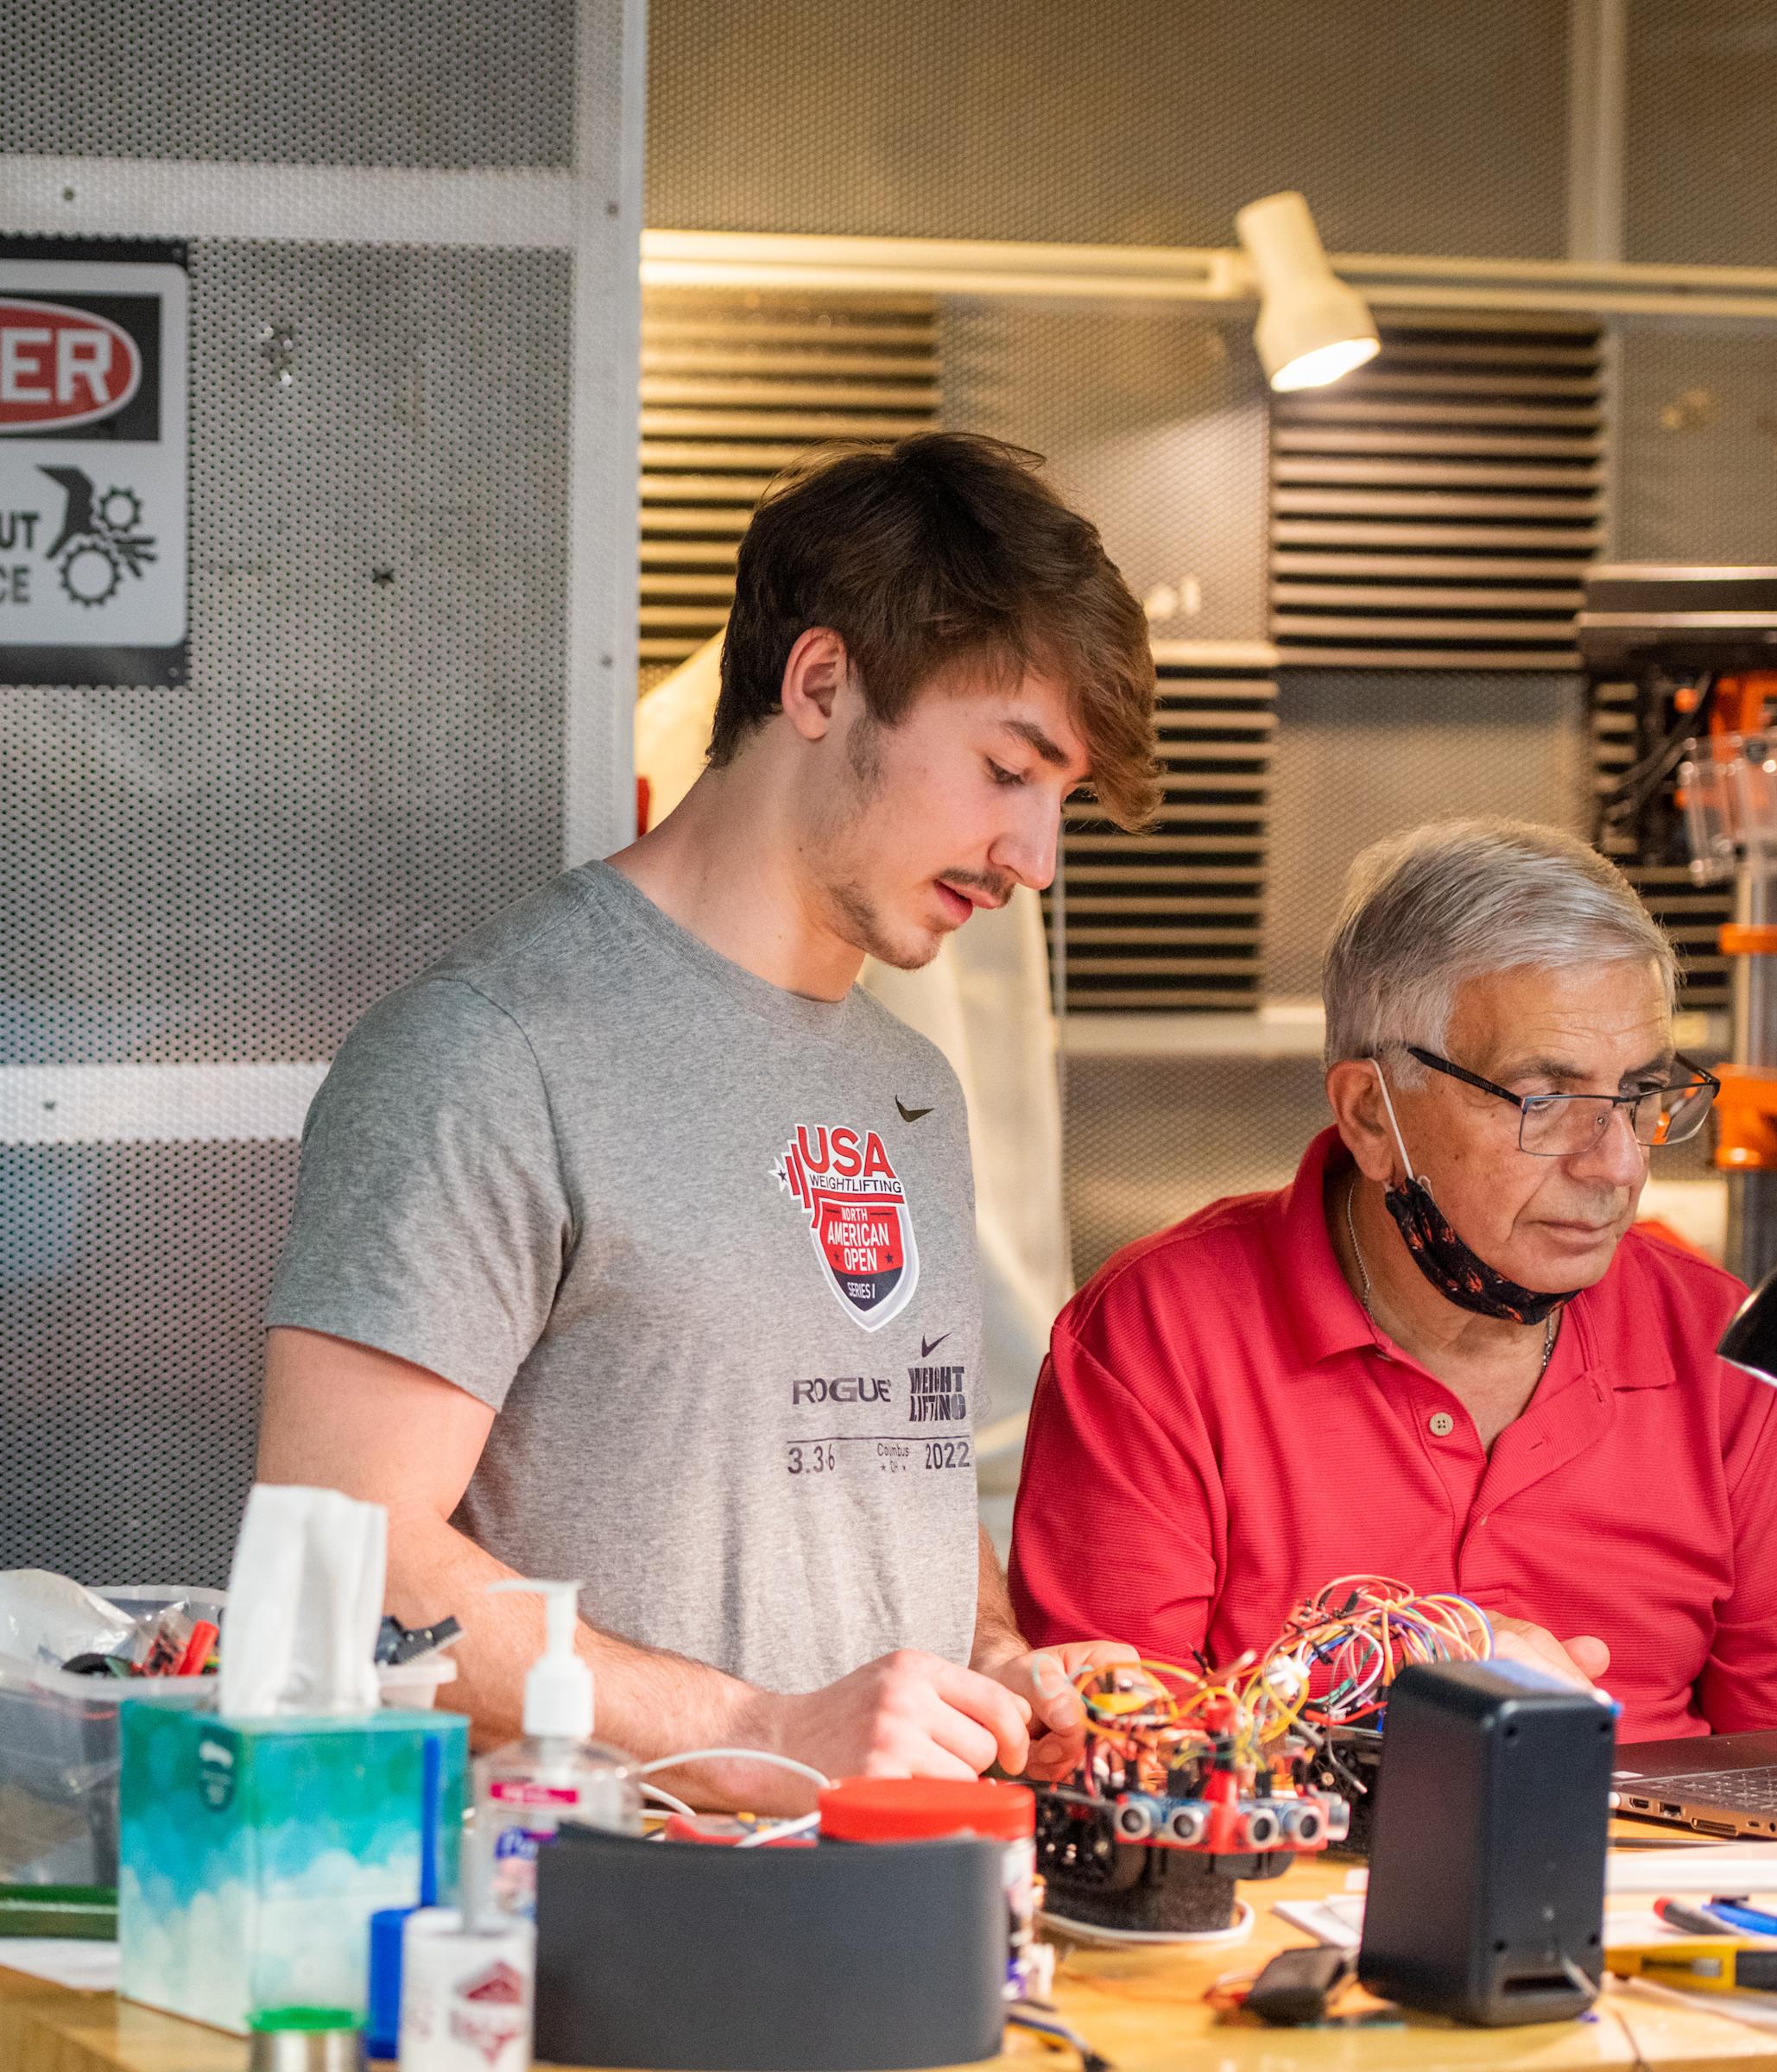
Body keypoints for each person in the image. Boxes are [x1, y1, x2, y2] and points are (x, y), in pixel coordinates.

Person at [256, 433, 1160, 1810]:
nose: (1035, 860)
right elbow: (340, 1552)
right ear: (820, 682)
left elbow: (881, 1470)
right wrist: (762, 1732)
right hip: (582, 1942)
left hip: (889, 1923)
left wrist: (989, 1654)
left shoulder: (910, 1091)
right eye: (1007, 770)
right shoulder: (490, 1054)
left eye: (1062, 803)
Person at [1010, 818, 1777, 1743]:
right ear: (1372, 1115)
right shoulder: (1157, 1335)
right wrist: (1401, 1661)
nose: (1616, 1165)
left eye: (1639, 1096)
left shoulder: (1727, 1345)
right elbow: (1110, 1758)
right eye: (1547, 1100)